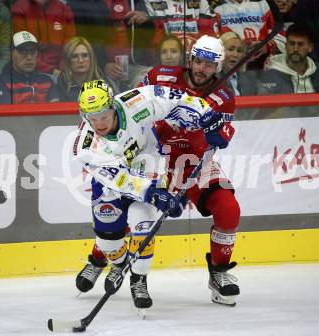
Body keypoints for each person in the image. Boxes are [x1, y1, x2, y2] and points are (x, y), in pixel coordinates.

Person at [82, 35, 241, 307]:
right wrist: (167, 126)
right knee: (132, 210)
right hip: (154, 157)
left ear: (219, 67)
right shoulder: (161, 76)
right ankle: (103, 258)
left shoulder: (225, 96)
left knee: (229, 210)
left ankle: (218, 273)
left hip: (193, 161)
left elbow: (223, 136)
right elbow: (137, 111)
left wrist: (214, 132)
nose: (202, 69)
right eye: (198, 61)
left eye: (210, 65)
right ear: (190, 58)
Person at [257, 23, 319, 94]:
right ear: (286, 46)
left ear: (310, 47)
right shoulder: (271, 75)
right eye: (291, 44)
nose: (295, 49)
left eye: (300, 44)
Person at [0, 31, 59, 104]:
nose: (29, 57)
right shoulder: (1, 82)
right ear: (12, 54)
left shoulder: (47, 81)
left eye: (33, 51)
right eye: (23, 52)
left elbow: (57, 113)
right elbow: (6, 114)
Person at [12, 0, 76, 77]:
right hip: (28, 71)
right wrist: (51, 71)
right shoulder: (19, 9)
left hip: (61, 71)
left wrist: (62, 70)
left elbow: (69, 48)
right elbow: (22, 49)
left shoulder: (64, 10)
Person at [211, 0, 275, 69]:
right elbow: (212, 42)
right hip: (231, 67)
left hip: (264, 63)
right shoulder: (216, 9)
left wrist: (267, 46)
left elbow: (280, 35)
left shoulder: (264, 3)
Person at [57, 36, 120, 102]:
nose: (80, 60)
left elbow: (118, 107)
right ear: (68, 60)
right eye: (75, 56)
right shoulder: (61, 83)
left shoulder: (106, 83)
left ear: (91, 58)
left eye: (85, 55)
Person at [219, 31, 257, 96]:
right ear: (219, 51)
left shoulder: (249, 80)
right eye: (230, 49)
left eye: (239, 51)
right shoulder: (210, 79)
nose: (235, 54)